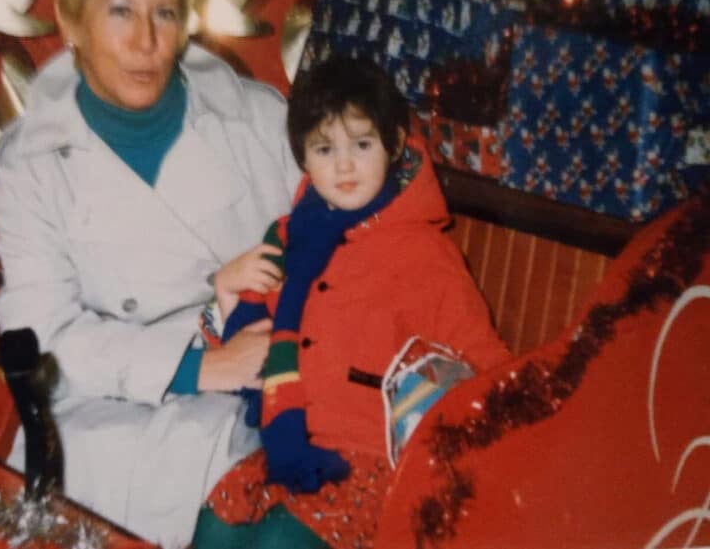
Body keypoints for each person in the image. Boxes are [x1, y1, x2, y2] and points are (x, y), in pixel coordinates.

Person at [0, 0, 301, 548]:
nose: (146, 41)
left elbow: (342, 232)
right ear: (71, 20)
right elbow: (44, 334)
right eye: (120, 12)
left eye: (164, 13)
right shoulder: (31, 167)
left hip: (279, 374)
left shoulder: (257, 119)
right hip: (113, 408)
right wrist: (200, 367)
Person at [192, 56, 512, 549]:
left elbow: (486, 363)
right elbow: (248, 348)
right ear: (303, 157)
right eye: (324, 148)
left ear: (394, 144)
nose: (344, 165)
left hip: (371, 465)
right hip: (291, 448)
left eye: (361, 145)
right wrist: (228, 290)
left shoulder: (425, 253)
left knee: (281, 543)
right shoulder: (287, 239)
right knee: (215, 525)